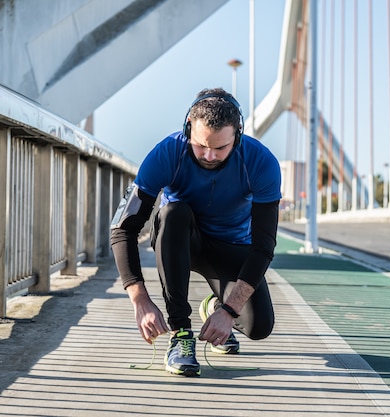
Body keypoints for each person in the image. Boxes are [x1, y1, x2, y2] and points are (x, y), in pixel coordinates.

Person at [110, 88, 282, 377]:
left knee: (259, 326)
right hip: (180, 241)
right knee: (174, 213)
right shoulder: (167, 153)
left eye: (221, 148)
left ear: (237, 135)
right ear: (188, 126)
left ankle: (214, 306)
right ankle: (181, 334)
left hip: (231, 247)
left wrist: (229, 310)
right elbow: (123, 229)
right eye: (201, 145)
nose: (210, 155)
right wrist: (139, 298)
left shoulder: (262, 163)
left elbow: (264, 246)